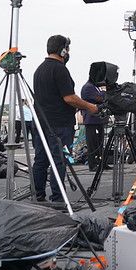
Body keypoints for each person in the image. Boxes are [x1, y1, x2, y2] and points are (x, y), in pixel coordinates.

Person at [32, 35, 98, 203]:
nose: (68, 52)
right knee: (60, 160)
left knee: (41, 159)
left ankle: (38, 194)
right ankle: (58, 197)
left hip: (40, 124)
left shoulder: (39, 69)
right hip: (59, 126)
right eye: (67, 49)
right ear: (62, 50)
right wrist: (90, 107)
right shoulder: (60, 69)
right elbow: (69, 98)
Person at [81, 73, 107, 171]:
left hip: (98, 119)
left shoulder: (95, 87)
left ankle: (102, 162)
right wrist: (104, 92)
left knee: (100, 142)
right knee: (92, 143)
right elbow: (100, 98)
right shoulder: (88, 87)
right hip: (91, 119)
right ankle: (92, 164)